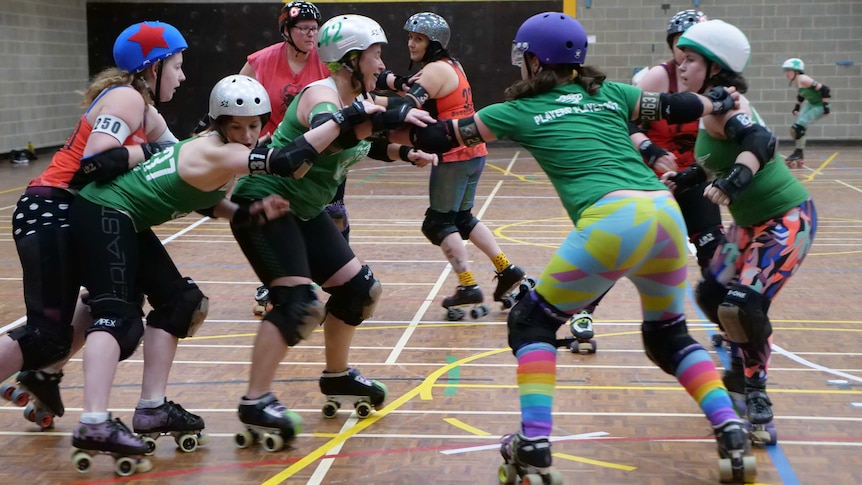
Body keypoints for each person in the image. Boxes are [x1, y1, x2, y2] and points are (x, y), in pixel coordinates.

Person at [408, 12, 756, 482]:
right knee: (669, 335)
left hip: (613, 222)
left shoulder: (515, 110)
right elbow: (675, 106)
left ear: (533, 58)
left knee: (530, 323)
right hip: (664, 215)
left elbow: (437, 137)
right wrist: (717, 96)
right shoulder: (610, 93)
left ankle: (533, 443)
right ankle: (730, 428)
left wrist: (386, 116)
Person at [68, 72, 394, 465]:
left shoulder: (214, 150)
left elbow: (204, 199)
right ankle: (93, 421)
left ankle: (151, 408)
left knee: (182, 303)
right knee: (118, 316)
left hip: (122, 217)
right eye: (236, 126)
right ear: (219, 125)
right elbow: (289, 161)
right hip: (102, 211)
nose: (246, 135)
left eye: (254, 125)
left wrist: (247, 211)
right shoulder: (219, 151)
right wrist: (346, 116)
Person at [227, 14, 436, 441]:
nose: (381, 65)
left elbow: (364, 141)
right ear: (351, 58)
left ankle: (337, 376)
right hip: (266, 203)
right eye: (376, 55)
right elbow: (334, 130)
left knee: (359, 290)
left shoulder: (359, 98)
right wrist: (390, 115)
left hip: (304, 209)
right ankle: (255, 401)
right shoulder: (320, 96)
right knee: (298, 304)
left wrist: (402, 153)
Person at [0, 21, 187, 439]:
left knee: (120, 298)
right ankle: (50, 373)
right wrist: (154, 151)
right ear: (153, 69)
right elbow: (96, 159)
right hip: (52, 208)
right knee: (49, 334)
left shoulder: (145, 110)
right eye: (176, 66)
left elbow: (181, 159)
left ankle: (45, 376)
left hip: (80, 211)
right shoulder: (125, 97)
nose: (183, 75)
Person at [664, 20, 817, 445]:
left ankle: (756, 392)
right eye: (680, 59)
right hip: (749, 224)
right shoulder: (709, 106)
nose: (682, 67)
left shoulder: (728, 105)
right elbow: (716, 156)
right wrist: (688, 177)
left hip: (786, 219)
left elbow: (761, 142)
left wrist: (732, 182)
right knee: (712, 294)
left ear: (716, 67)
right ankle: (739, 362)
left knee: (741, 307)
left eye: (690, 60)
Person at [567, 9, 725, 354]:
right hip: (650, 178)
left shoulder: (718, 88)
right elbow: (619, 117)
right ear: (672, 47)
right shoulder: (658, 77)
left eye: (695, 52)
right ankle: (584, 309)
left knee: (715, 250)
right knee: (620, 245)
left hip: (693, 176)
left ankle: (727, 321)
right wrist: (649, 148)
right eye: (681, 48)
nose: (685, 58)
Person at [377, 12, 529, 321]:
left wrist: (370, 105)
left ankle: (468, 286)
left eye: (418, 39)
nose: (411, 43)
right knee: (462, 218)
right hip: (474, 151)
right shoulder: (452, 65)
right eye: (410, 37)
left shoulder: (433, 71)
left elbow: (407, 109)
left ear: (432, 44)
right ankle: (507, 269)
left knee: (438, 223)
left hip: (453, 152)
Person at [238, 1, 353, 315]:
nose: (311, 34)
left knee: (332, 213)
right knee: (279, 216)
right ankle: (280, 277)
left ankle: (337, 272)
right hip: (279, 152)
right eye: (304, 28)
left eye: (315, 28)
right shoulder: (262, 60)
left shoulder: (326, 61)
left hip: (324, 154)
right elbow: (238, 95)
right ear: (286, 31)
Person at [781, 57, 831, 168]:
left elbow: (825, 89)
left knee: (798, 128)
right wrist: (797, 107)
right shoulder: (796, 81)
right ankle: (800, 155)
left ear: (796, 71)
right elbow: (801, 94)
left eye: (789, 71)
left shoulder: (803, 79)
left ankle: (798, 153)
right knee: (795, 130)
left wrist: (826, 107)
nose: (786, 73)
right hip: (811, 104)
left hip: (819, 105)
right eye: (786, 71)